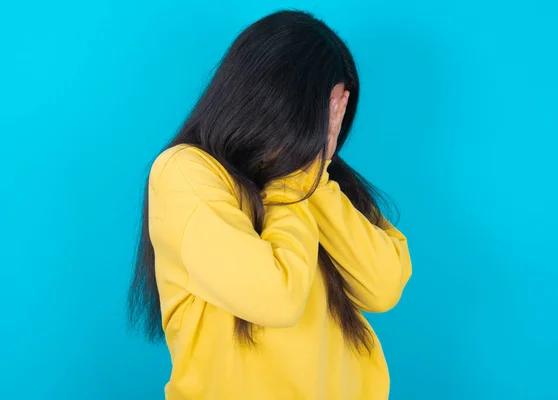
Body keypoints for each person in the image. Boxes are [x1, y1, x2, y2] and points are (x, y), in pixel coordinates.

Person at [127, 10, 412, 400]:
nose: (329, 128)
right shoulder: (184, 172)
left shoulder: (320, 181)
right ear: (273, 99)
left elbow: (382, 287)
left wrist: (312, 177)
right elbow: (277, 297)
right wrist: (294, 179)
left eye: (337, 112)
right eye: (323, 110)